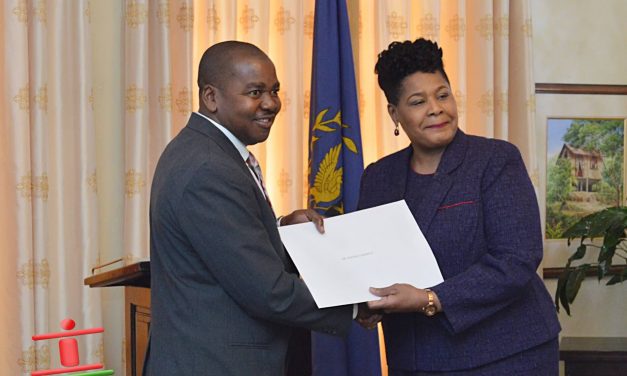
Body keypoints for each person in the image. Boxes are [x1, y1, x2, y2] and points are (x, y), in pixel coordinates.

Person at [143, 41, 378, 376]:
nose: (270, 103)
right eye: (255, 92)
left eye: (275, 90)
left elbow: (226, 248)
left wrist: (281, 229)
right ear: (211, 98)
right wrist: (357, 305)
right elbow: (268, 292)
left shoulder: (205, 152)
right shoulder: (209, 168)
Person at [360, 38, 561, 375]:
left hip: (507, 354)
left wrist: (429, 299)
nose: (436, 108)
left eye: (443, 94)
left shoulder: (496, 160)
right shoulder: (377, 178)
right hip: (415, 357)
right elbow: (369, 261)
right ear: (394, 113)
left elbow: (516, 259)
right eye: (418, 101)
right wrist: (366, 304)